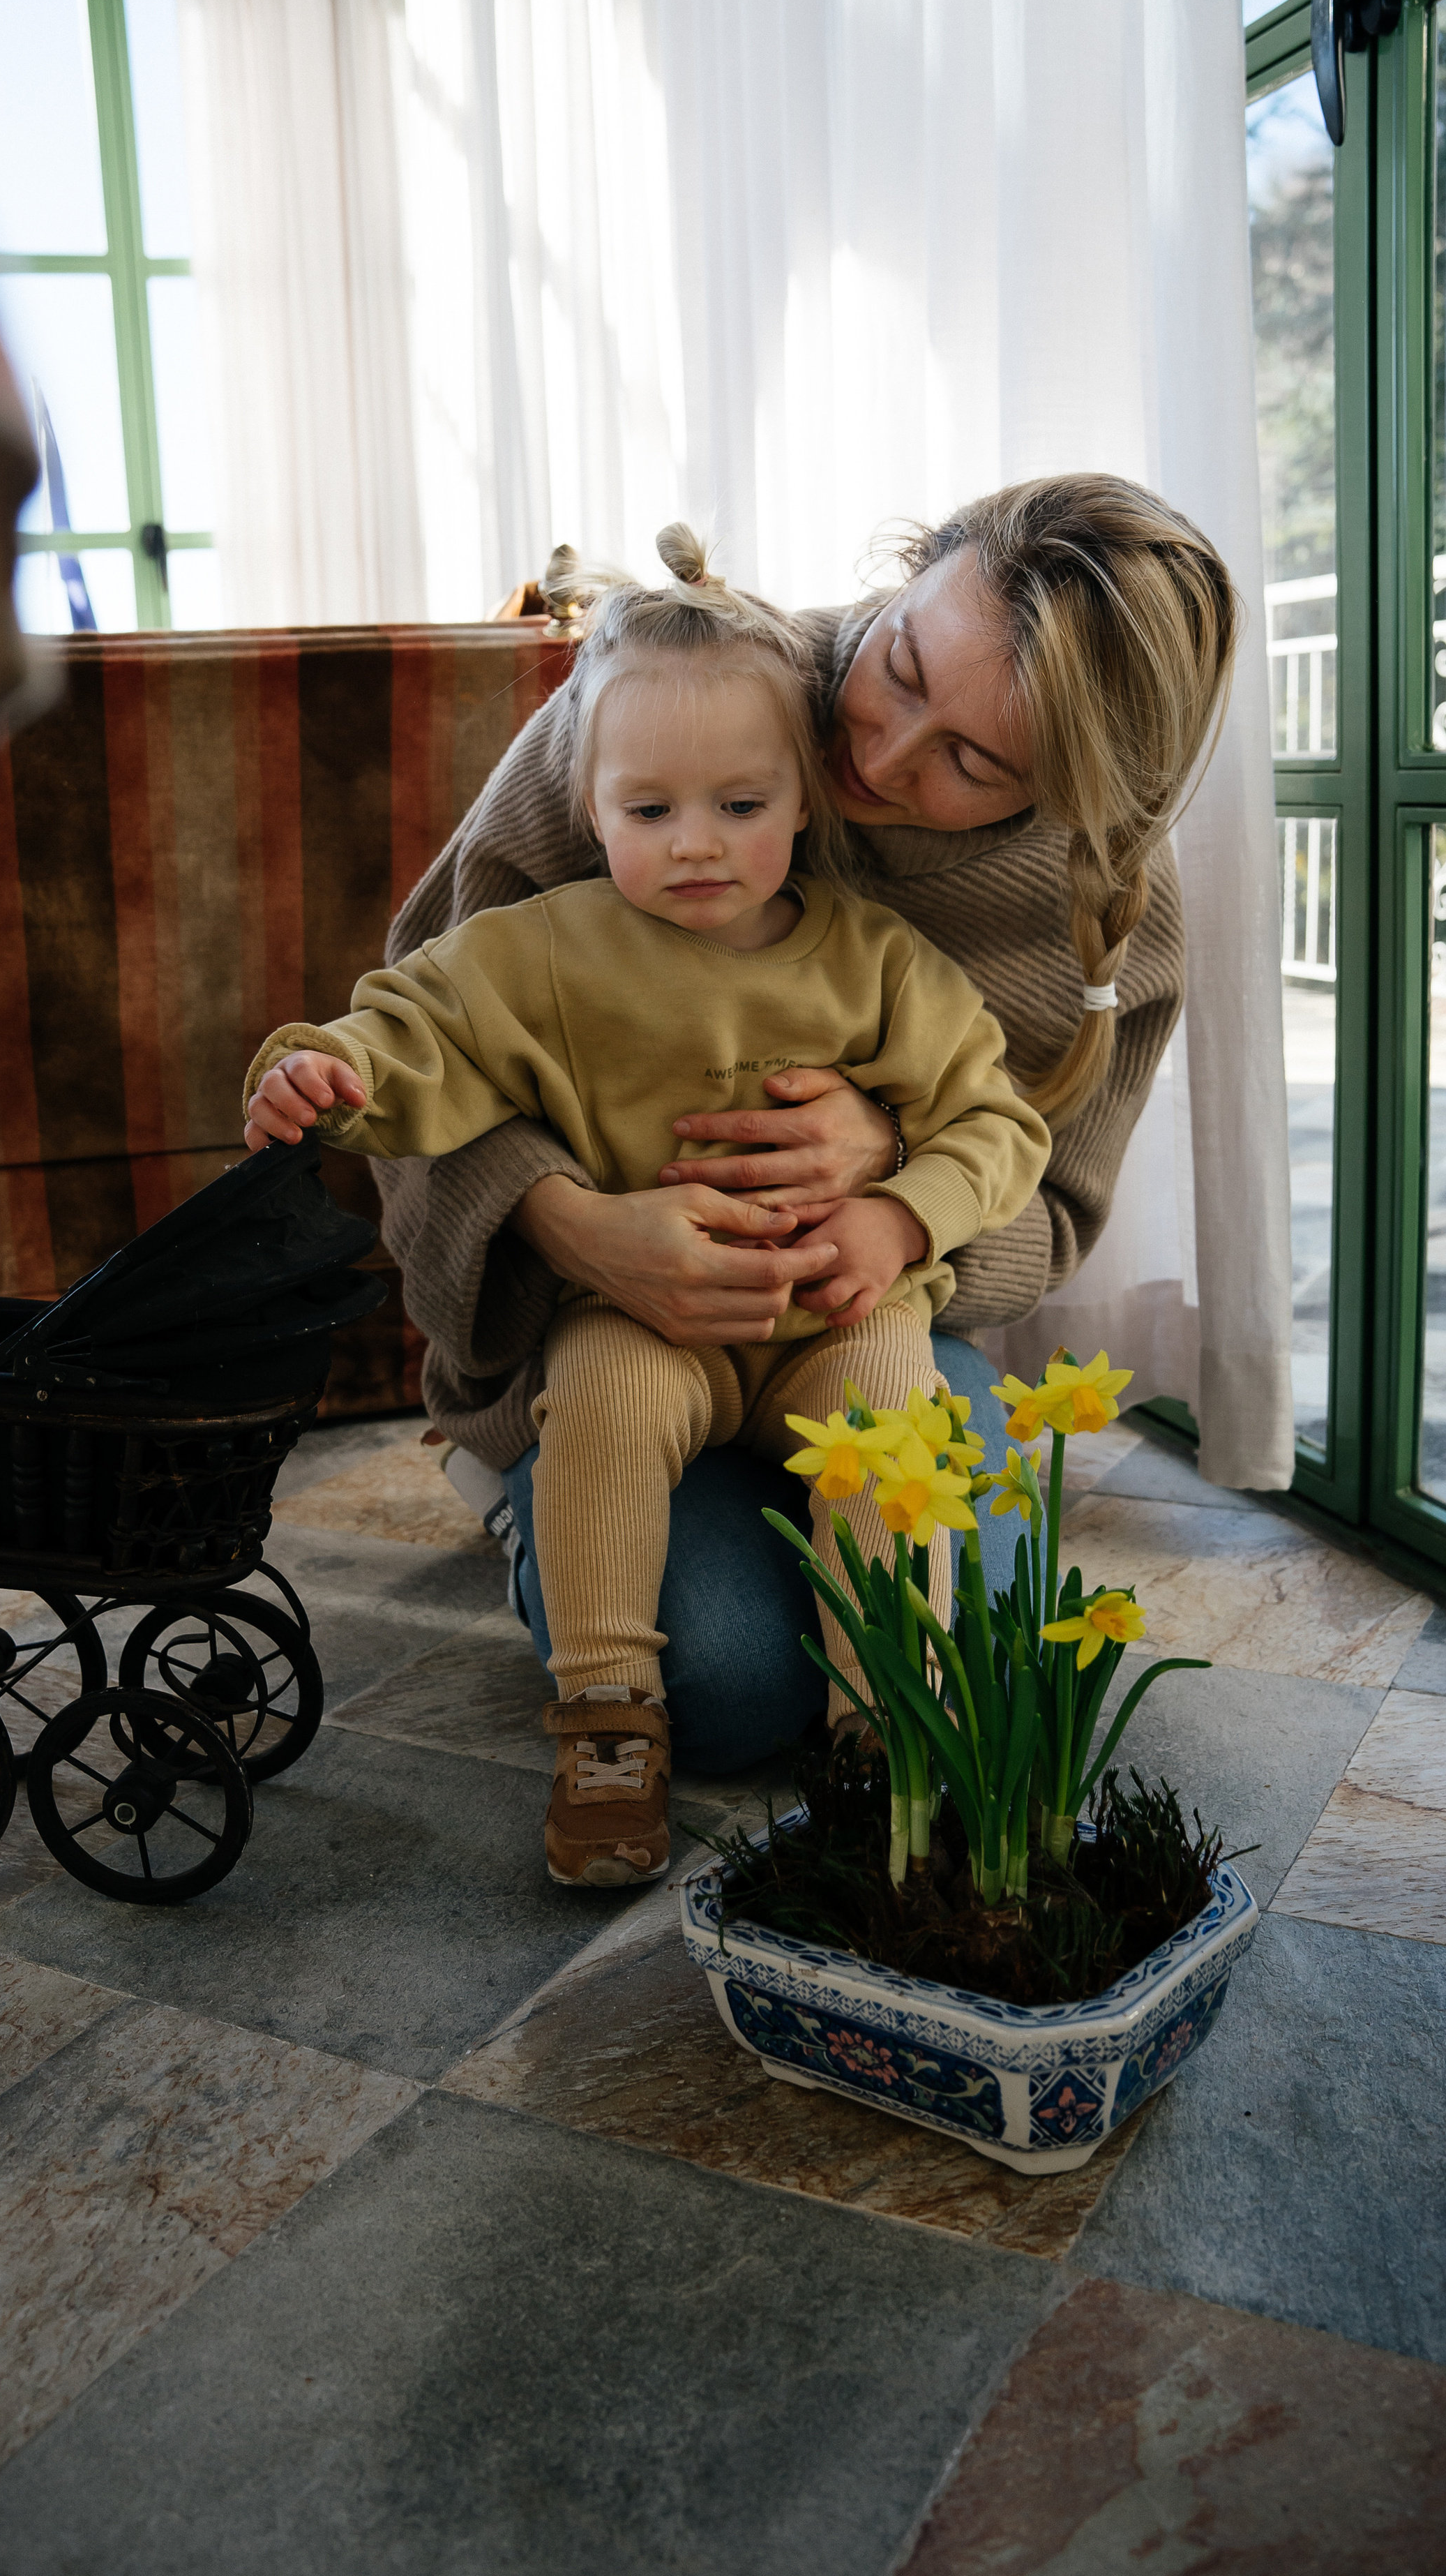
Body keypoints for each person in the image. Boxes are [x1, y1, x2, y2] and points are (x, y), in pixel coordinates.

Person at [370, 476, 1242, 1783]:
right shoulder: (677, 708)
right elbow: (417, 1058)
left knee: (951, 1658)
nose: (880, 756)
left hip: (863, 1333)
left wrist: (892, 1175)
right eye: (899, 666)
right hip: (616, 1326)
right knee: (721, 1692)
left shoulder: (1110, 905)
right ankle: (526, 1487)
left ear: (1067, 791)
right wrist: (577, 1228)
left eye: (974, 762)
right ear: (902, 574)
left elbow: (1052, 1206)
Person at [244, 529, 1049, 1888]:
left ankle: (883, 1731)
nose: (695, 847)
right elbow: (403, 1040)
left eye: (740, 806)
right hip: (635, 1315)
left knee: (900, 1458)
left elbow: (997, 1128)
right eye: (649, 810)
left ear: (803, 805)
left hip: (830, 1315)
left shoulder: (878, 963)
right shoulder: (536, 951)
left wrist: (901, 1218)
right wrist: (318, 1074)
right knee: (606, 1411)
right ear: (589, 802)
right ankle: (604, 1721)